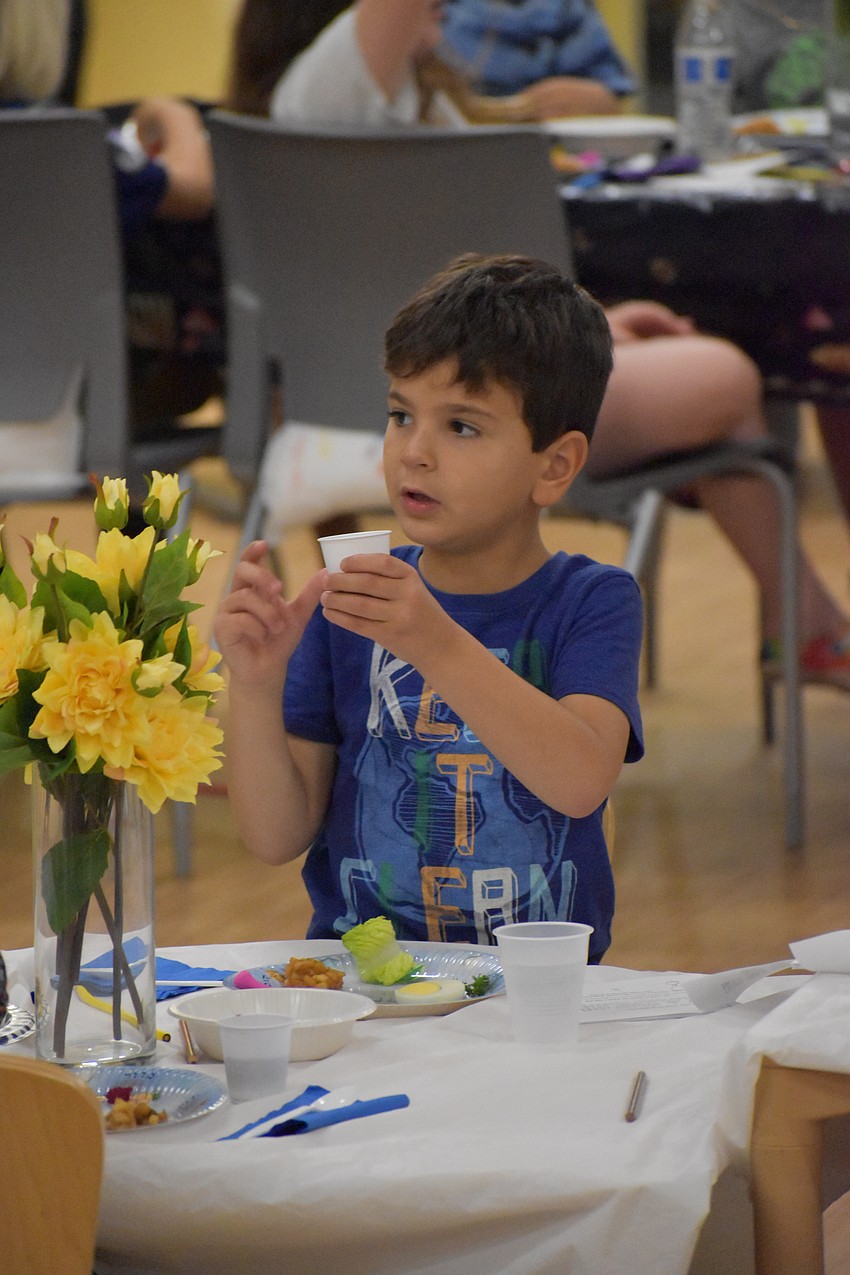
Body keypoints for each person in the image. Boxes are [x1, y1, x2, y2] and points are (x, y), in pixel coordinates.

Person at [226, 0, 850, 688]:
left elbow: (466, 299)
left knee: (702, 374)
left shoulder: (374, 101)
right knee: (727, 375)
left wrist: (597, 329)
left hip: (442, 386)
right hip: (469, 404)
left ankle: (803, 622)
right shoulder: (330, 87)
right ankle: (805, 626)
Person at [215, 253, 644, 960]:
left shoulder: (592, 599)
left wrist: (434, 643)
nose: (414, 452)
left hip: (536, 985)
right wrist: (255, 688)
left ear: (555, 466)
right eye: (400, 415)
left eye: (462, 427)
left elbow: (579, 782)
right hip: (364, 983)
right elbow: (274, 837)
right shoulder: (347, 602)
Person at [439, 0, 635, 111]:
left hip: (541, 144)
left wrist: (585, 98)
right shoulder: (442, 11)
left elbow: (612, 95)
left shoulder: (564, 8)